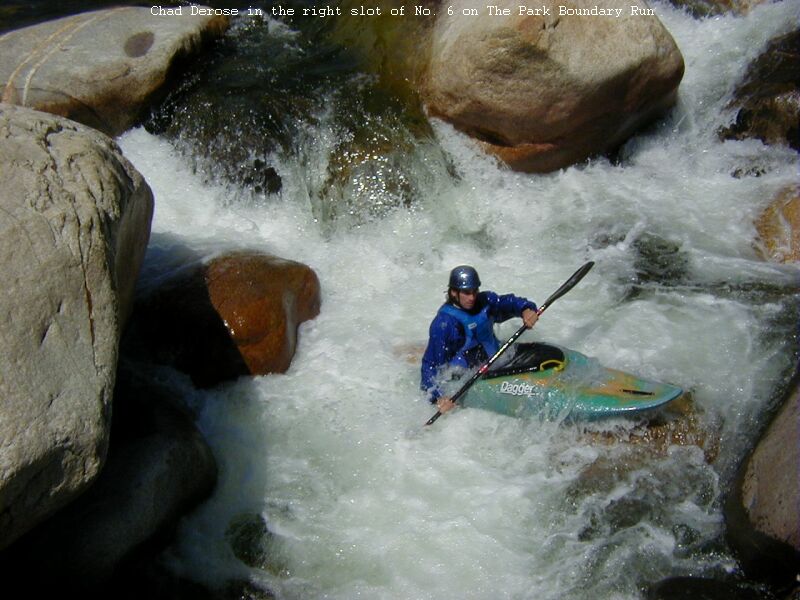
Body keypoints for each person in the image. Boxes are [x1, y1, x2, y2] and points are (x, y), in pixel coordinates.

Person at [420, 265, 539, 414]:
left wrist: (526, 309)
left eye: (475, 291)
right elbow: (430, 365)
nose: (472, 297)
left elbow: (509, 302)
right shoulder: (443, 324)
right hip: (466, 376)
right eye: (466, 292)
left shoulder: (486, 302)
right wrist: (438, 398)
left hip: (499, 360)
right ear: (454, 292)